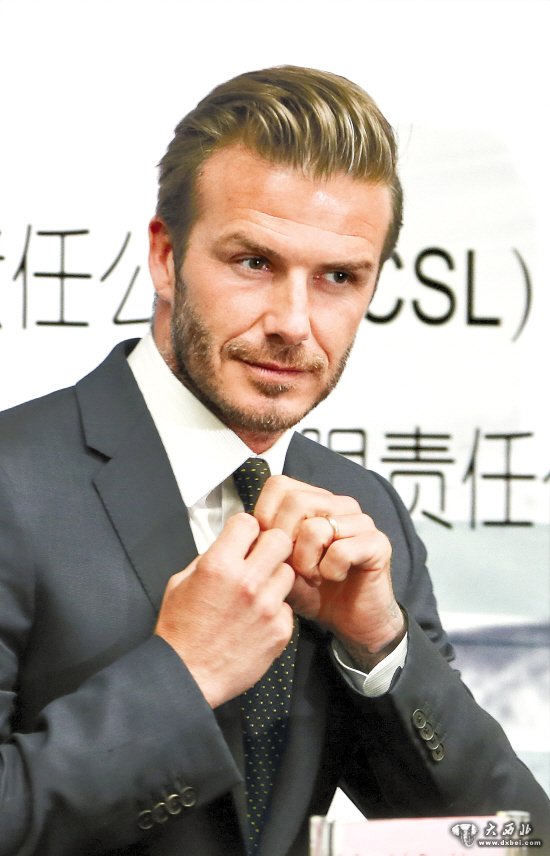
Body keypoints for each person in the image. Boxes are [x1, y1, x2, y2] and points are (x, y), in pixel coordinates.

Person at [0, 65, 548, 856]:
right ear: (165, 257)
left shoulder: (367, 511)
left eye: (338, 278)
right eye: (254, 262)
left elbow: (507, 840)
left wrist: (381, 647)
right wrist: (181, 677)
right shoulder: (14, 485)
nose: (294, 322)